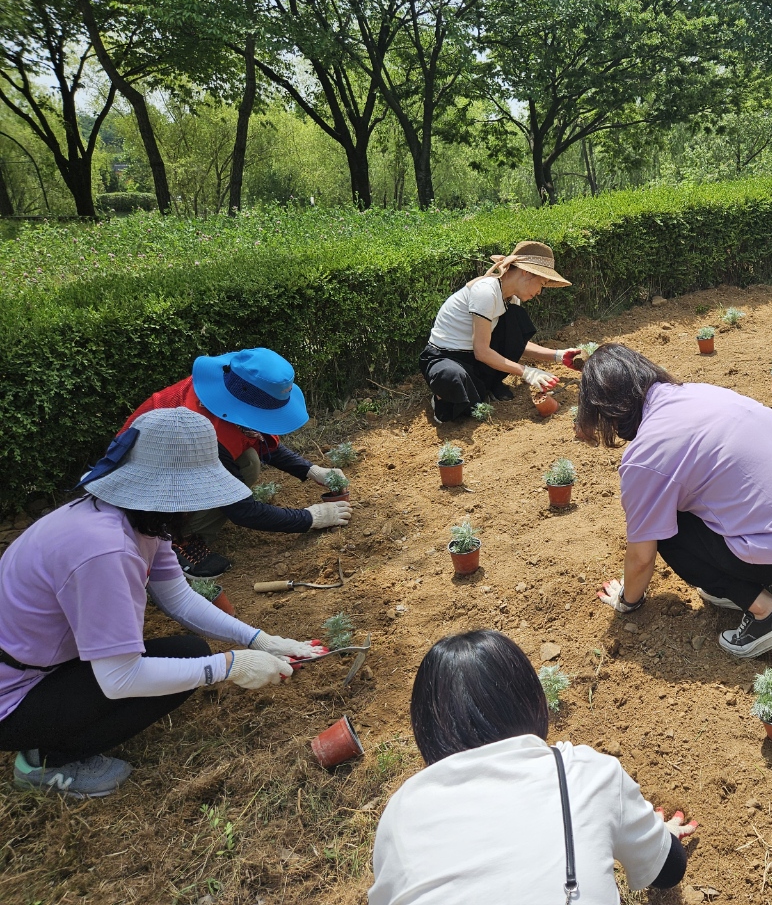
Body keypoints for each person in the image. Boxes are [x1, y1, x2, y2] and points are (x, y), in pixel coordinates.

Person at [0, 408, 325, 798]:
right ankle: (44, 760)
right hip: (14, 695)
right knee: (186, 668)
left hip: (45, 661)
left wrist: (258, 640)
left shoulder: (137, 520)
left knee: (188, 653)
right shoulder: (106, 549)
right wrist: (228, 666)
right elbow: (119, 678)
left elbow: (178, 599)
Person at [368, 630, 696, 904]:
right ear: (530, 700)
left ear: (426, 726)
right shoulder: (585, 773)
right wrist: (659, 835)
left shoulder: (400, 814)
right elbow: (668, 871)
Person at [580, 345, 772, 658]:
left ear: (607, 411)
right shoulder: (697, 392)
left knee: (667, 531)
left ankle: (767, 614)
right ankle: (738, 581)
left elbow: (641, 558)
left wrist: (628, 601)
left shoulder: (645, 456)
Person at [121, 347, 351, 578]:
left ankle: (190, 524)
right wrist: (310, 518)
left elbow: (258, 441)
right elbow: (242, 511)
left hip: (174, 467)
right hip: (144, 495)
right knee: (233, 477)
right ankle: (173, 540)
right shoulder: (202, 431)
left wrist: (311, 470)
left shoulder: (224, 389)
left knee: (248, 461)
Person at [419, 240, 581, 424]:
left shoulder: (510, 299)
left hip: (473, 358)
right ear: (526, 272)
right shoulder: (486, 292)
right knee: (452, 379)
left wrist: (558, 355)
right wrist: (527, 372)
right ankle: (442, 399)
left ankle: (487, 385)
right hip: (446, 357)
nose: (539, 292)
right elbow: (482, 351)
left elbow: (513, 343)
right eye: (541, 284)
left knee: (515, 317)